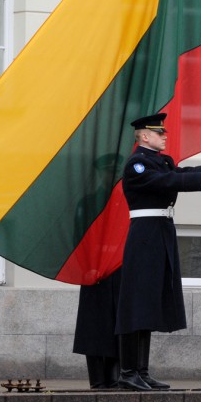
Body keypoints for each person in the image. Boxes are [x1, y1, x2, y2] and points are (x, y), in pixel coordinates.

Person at [114, 113, 201, 391]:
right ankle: (128, 372)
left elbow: (177, 174)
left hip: (161, 232)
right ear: (144, 136)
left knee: (150, 304)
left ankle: (141, 371)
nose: (165, 135)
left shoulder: (160, 161)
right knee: (137, 306)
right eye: (159, 133)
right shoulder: (137, 164)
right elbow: (166, 183)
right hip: (145, 235)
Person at [72, 153, 125, 389]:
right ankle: (97, 380)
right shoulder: (89, 202)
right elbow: (79, 239)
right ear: (101, 174)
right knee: (94, 328)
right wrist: (88, 266)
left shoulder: (127, 202)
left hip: (121, 271)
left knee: (119, 325)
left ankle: (114, 377)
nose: (111, 176)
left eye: (115, 172)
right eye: (107, 172)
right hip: (94, 272)